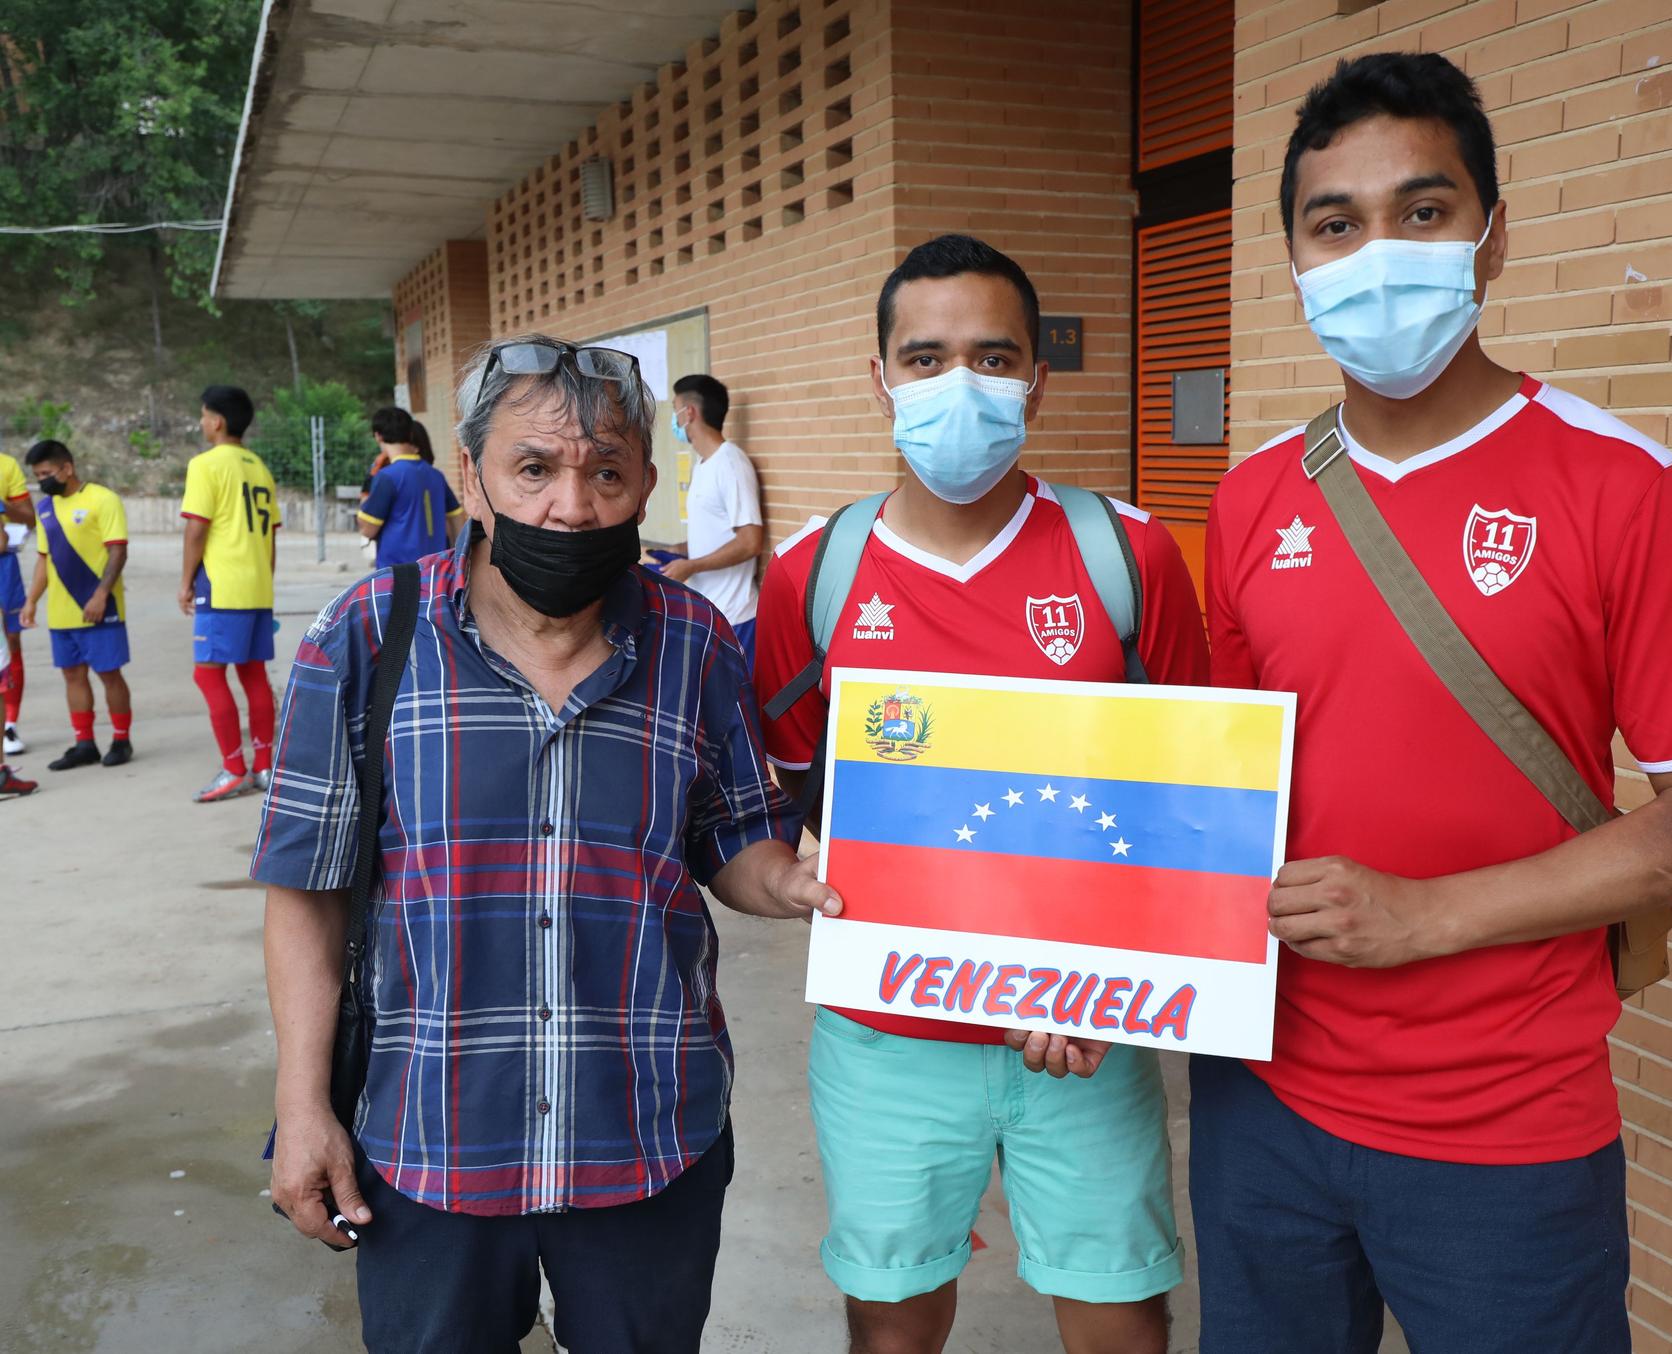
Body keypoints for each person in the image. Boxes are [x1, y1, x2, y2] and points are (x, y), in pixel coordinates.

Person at [1194, 53, 1672, 1354]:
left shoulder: (1620, 484)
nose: (1377, 252)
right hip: (1258, 1105)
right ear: (1295, 259)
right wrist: (1088, 955)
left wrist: (1428, 914)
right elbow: (1214, 788)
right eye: (1335, 223)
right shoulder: (1251, 500)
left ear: (1493, 238)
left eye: (1423, 210)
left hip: (1505, 1132)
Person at [255, 333, 835, 1354]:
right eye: (534, 467)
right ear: (470, 478)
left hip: (647, 1135)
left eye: (605, 471)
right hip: (431, 1142)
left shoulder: (693, 641)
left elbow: (735, 842)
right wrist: (303, 1105)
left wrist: (791, 880)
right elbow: (308, 887)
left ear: (647, 482)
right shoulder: (366, 634)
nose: (571, 505)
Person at [754, 235, 1207, 1354]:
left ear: (1037, 378)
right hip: (886, 1033)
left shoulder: (1125, 555)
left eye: (993, 357)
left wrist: (1115, 979)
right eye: (925, 357)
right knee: (892, 1327)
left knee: (1120, 1322)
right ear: (879, 379)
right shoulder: (812, 576)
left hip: (1084, 1034)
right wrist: (791, 870)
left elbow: (1200, 799)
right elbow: (783, 794)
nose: (960, 385)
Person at [179, 385, 283, 803]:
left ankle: (233, 769)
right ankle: (262, 765)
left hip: (221, 587)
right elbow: (272, 538)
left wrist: (185, 581)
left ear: (217, 421)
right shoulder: (259, 466)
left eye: (203, 416)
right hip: (257, 585)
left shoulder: (206, 465)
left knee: (207, 674)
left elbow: (196, 528)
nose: (201, 423)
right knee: (253, 672)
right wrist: (264, 581)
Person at [21, 440, 132, 771]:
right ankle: (84, 744)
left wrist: (100, 595)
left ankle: (121, 739)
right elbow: (44, 559)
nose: (42, 481)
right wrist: (31, 601)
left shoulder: (103, 499)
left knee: (109, 674)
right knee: (72, 675)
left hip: (100, 606)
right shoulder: (44, 510)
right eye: (37, 476)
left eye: (46, 473)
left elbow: (118, 551)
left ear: (66, 468)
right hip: (62, 612)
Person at [661, 374, 762, 666]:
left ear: (689, 412)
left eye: (675, 408)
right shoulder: (704, 464)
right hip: (711, 613)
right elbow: (716, 532)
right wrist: (682, 551)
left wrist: (692, 566)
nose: (674, 418)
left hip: (735, 619)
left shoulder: (731, 463)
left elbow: (750, 541)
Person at [357, 406, 462, 564]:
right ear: (410, 433)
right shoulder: (436, 475)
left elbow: (368, 529)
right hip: (436, 572)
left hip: (397, 574)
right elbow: (457, 518)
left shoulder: (387, 476)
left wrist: (365, 499)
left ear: (378, 436)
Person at [0, 452, 36, 755]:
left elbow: (30, 518)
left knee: (11, 639)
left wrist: (3, 507)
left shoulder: (5, 465)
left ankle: (9, 725)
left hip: (3, 565)